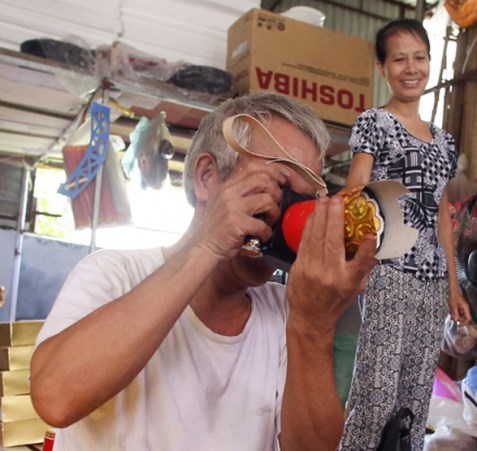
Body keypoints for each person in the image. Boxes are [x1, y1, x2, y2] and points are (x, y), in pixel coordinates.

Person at [30, 92, 377, 451]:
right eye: (279, 187)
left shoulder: (286, 312)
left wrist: (314, 326)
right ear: (207, 176)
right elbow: (55, 398)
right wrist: (207, 248)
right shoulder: (115, 274)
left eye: (305, 204)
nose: (287, 217)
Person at [339, 18, 472, 450]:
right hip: (388, 272)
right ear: (382, 68)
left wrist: (454, 285)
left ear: (430, 62)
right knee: (376, 394)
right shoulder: (374, 122)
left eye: (419, 57)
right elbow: (354, 193)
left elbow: (441, 217)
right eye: (399, 59)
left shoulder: (445, 143)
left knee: (416, 396)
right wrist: (361, 262)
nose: (410, 68)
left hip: (433, 281)